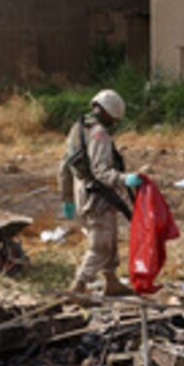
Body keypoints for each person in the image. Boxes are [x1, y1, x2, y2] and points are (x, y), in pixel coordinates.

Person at [58, 89, 143, 296]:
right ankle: (79, 286)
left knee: (110, 238)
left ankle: (111, 281)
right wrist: (126, 180)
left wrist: (67, 198)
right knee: (101, 245)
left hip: (83, 191)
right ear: (108, 113)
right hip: (97, 197)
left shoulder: (78, 128)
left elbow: (64, 166)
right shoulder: (99, 134)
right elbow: (101, 172)